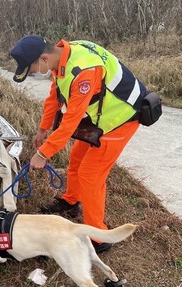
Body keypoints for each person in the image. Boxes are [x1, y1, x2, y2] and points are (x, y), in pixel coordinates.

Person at [10, 35, 149, 253]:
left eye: (33, 69)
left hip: (121, 118)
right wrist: (42, 130)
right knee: (76, 161)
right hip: (97, 120)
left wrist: (43, 154)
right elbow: (54, 98)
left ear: (44, 59)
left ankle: (98, 237)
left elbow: (70, 122)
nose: (36, 74)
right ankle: (71, 202)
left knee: (90, 175)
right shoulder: (61, 59)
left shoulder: (84, 71)